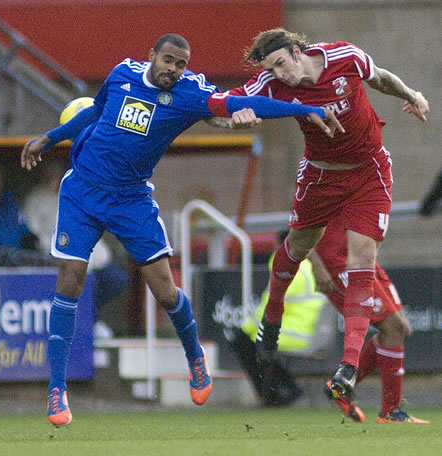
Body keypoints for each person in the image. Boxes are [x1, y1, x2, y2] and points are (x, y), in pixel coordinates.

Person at [20, 33, 344, 427]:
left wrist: (298, 111)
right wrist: (49, 139)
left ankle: (195, 358)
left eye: (180, 64)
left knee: (164, 289)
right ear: (152, 55)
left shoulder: (190, 94)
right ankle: (57, 390)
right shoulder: (122, 73)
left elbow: (242, 102)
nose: (173, 69)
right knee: (70, 278)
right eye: (168, 60)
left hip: (131, 200)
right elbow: (94, 112)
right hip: (83, 191)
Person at [226, 28, 429, 405]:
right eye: (272, 68)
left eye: (282, 63)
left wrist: (412, 95)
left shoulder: (343, 57)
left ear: (296, 50)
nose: (280, 74)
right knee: (298, 246)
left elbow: (381, 78)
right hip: (321, 174)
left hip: (369, 171)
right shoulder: (270, 84)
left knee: (364, 261)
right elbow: (222, 108)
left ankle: (349, 367)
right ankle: (272, 319)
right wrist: (232, 120)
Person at [309, 218, 429, 423]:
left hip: (363, 260)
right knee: (394, 328)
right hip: (338, 265)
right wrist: (317, 263)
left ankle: (342, 387)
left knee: (402, 330)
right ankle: (391, 412)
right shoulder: (320, 185)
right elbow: (300, 223)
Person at [23, 159, 129, 337]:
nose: (52, 178)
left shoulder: (74, 193)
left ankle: (92, 318)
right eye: (48, 174)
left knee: (117, 280)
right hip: (59, 257)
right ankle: (88, 324)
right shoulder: (35, 199)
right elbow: (34, 234)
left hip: (92, 255)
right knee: (88, 284)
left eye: (55, 174)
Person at [224, 230, 329, 407]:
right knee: (257, 345)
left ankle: (275, 395)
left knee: (243, 341)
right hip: (314, 333)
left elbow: (270, 304)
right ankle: (288, 388)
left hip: (295, 335)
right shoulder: (311, 267)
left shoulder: (287, 266)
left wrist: (246, 329)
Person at [0, 158, 53, 267]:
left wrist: (32, 240)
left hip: (16, 254)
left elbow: (24, 230)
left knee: (49, 262)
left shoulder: (9, 200)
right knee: (4, 255)